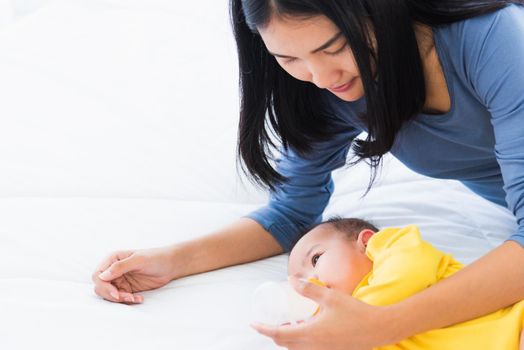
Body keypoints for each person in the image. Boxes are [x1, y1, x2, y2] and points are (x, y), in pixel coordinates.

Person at [92, 1, 524, 349]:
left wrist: (384, 325)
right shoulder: (326, 91)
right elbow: (289, 214)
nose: (318, 77)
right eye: (288, 57)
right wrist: (171, 261)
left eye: (333, 47)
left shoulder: (495, 38)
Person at [286, 217, 524, 349]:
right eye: (301, 282)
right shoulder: (351, 332)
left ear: (366, 242)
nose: (311, 282)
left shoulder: (394, 246)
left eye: (316, 259)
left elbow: (408, 273)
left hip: (514, 325)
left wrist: (348, 320)